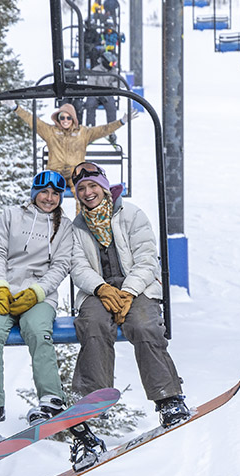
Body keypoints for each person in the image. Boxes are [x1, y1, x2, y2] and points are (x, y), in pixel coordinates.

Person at [68, 161, 191, 430]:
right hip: (98, 290)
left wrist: (127, 292)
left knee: (144, 325)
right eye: (82, 189)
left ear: (103, 186)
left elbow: (147, 260)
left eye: (92, 186)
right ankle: (91, 398)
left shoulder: (131, 215)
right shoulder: (77, 227)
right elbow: (78, 267)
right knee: (93, 324)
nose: (88, 193)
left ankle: (167, 397)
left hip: (138, 286)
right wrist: (102, 288)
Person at [0, 170, 74, 428]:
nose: (49, 198)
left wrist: (37, 292)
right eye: (44, 192)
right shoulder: (11, 216)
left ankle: (51, 396)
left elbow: (61, 265)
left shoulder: (64, 226)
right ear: (34, 193)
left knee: (38, 331)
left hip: (39, 295)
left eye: (55, 194)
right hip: (6, 290)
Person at [5, 99, 134, 188]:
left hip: (75, 173)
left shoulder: (83, 133)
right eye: (62, 117)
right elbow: (32, 120)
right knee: (50, 193)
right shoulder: (50, 131)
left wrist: (121, 122)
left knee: (82, 192)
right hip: (55, 172)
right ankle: (53, 223)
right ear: (58, 118)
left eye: (68, 118)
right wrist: (16, 108)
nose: (65, 120)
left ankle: (81, 224)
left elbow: (103, 130)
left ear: (73, 119)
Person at [85, 52, 119, 129]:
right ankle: (90, 128)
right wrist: (98, 95)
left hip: (107, 93)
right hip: (95, 94)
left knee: (111, 107)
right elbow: (91, 85)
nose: (112, 66)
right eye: (111, 64)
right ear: (105, 62)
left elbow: (121, 83)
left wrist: (112, 86)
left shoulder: (113, 71)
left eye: (114, 64)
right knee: (90, 104)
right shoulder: (96, 70)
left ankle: (111, 129)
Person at [56, 59, 85, 125]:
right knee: (65, 106)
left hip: (74, 94)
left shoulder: (74, 75)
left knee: (78, 106)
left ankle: (78, 125)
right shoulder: (61, 76)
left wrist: (79, 94)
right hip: (65, 95)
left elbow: (76, 85)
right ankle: (62, 124)